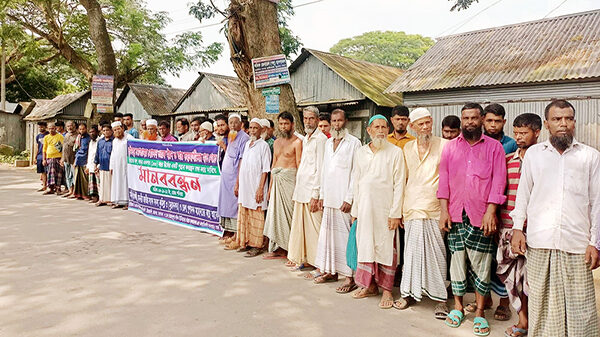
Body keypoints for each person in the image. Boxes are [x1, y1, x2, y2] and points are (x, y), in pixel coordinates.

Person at [510, 100, 600, 337]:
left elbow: (598, 203)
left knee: (581, 307)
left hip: (577, 243)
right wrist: (517, 228)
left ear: (574, 123)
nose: (563, 124)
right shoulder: (534, 156)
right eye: (557, 119)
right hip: (540, 242)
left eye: (568, 119)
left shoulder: (590, 156)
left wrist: (595, 242)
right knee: (541, 303)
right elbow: (523, 194)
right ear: (547, 124)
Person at [438, 102, 507, 336]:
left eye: (474, 118)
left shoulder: (495, 148)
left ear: (481, 120)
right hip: (456, 213)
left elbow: (499, 182)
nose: (469, 122)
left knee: (482, 264)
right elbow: (444, 181)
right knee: (456, 261)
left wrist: (491, 211)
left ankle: (479, 312)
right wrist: (444, 210)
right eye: (465, 118)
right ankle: (457, 307)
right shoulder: (449, 148)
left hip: (482, 215)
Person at [395, 108, 449, 319]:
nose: (425, 127)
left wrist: (447, 210)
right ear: (412, 126)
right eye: (421, 124)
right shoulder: (406, 148)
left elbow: (448, 178)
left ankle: (440, 299)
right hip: (411, 207)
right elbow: (401, 180)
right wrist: (398, 210)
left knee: (437, 254)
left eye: (428, 123)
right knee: (411, 254)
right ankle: (409, 293)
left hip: (435, 208)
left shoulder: (445, 145)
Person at [350, 114, 405, 310]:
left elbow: (399, 185)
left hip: (385, 210)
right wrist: (355, 209)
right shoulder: (361, 152)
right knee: (365, 246)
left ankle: (387, 289)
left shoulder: (395, 152)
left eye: (384, 127)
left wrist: (395, 213)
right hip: (364, 209)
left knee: (386, 249)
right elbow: (356, 181)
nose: (381, 130)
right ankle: (370, 286)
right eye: (377, 127)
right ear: (369, 130)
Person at [495, 113, 541, 337]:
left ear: (537, 133)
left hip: (536, 229)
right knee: (515, 278)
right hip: (509, 227)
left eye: (524, 133)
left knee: (534, 280)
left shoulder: (543, 160)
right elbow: (500, 192)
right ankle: (523, 321)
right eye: (516, 133)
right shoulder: (507, 160)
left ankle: (535, 323)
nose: (519, 137)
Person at [313, 108, 361, 291]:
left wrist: (350, 198)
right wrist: (321, 196)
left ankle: (350, 278)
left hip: (344, 201)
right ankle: (331, 271)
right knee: (328, 238)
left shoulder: (354, 143)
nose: (336, 124)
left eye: (339, 121)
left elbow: (356, 174)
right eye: (333, 121)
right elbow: (325, 170)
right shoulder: (327, 143)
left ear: (345, 121)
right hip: (330, 199)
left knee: (345, 240)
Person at [288, 106, 328, 271]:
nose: (308, 121)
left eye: (311, 118)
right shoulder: (306, 138)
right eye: (305, 118)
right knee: (302, 229)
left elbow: (321, 168)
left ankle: (320, 264)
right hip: (301, 190)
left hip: (312, 192)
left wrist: (316, 194)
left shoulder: (321, 140)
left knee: (315, 231)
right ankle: (305, 259)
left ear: (318, 120)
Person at [226, 118, 271, 257]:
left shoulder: (263, 145)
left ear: (261, 130)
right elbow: (242, 165)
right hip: (245, 186)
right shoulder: (247, 145)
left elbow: (265, 169)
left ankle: (256, 245)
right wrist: (238, 183)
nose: (252, 130)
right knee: (244, 213)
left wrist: (260, 188)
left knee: (256, 215)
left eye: (255, 128)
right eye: (250, 128)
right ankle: (245, 242)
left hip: (256, 186)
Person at [263, 112, 302, 259]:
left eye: (286, 123)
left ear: (292, 124)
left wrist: (298, 187)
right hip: (277, 181)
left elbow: (299, 165)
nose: (283, 126)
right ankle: (278, 248)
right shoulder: (277, 142)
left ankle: (290, 250)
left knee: (290, 216)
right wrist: (270, 187)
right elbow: (274, 164)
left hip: (289, 181)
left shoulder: (297, 142)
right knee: (275, 216)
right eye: (281, 123)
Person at [218, 114, 249, 241]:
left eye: (235, 123)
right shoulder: (231, 136)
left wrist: (238, 182)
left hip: (235, 178)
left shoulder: (244, 138)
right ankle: (229, 232)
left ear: (241, 124)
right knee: (226, 205)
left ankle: (237, 235)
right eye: (230, 123)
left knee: (235, 206)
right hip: (226, 178)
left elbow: (241, 160)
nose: (233, 125)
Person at [110, 121, 133, 209]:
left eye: (118, 129)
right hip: (116, 166)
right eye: (114, 130)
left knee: (125, 183)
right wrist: (111, 166)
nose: (117, 131)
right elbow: (113, 154)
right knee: (117, 182)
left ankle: (128, 202)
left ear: (122, 128)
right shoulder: (115, 141)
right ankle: (118, 201)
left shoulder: (129, 138)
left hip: (126, 165)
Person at [42, 122, 64, 195]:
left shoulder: (60, 136)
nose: (51, 130)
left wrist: (62, 159)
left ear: (55, 128)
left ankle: (58, 188)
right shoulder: (46, 137)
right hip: (49, 158)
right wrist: (44, 159)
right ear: (47, 129)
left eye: (52, 128)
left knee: (58, 174)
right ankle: (51, 188)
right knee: (50, 173)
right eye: (49, 129)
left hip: (58, 157)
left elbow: (63, 148)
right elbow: (44, 149)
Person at [95, 124, 113, 207]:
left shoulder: (114, 141)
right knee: (102, 184)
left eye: (107, 130)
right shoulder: (100, 141)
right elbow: (97, 153)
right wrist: (95, 164)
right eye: (104, 130)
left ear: (111, 131)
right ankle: (101, 199)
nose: (106, 132)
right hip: (102, 165)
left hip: (110, 166)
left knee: (110, 183)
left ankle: (110, 199)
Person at [71, 123, 91, 200]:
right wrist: (75, 161)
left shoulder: (89, 138)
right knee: (77, 179)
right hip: (78, 159)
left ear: (86, 129)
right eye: (80, 129)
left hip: (85, 159)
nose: (81, 130)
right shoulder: (78, 138)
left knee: (85, 179)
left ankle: (86, 194)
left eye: (83, 129)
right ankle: (78, 194)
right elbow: (76, 150)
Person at [60, 121, 78, 197]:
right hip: (66, 159)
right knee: (67, 176)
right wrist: (62, 158)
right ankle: (70, 191)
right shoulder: (66, 135)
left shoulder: (77, 136)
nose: (69, 128)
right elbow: (64, 148)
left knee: (73, 176)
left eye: (71, 126)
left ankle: (74, 191)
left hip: (73, 160)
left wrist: (75, 160)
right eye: (68, 126)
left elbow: (77, 149)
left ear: (74, 126)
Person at [85, 125, 100, 203]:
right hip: (91, 164)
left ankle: (99, 197)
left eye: (93, 132)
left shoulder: (100, 141)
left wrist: (98, 165)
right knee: (92, 182)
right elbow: (89, 154)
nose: (91, 134)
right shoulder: (90, 142)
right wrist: (87, 166)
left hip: (98, 165)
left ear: (97, 132)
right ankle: (93, 196)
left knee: (98, 182)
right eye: (90, 132)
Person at [35, 122, 49, 192]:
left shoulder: (48, 135)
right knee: (42, 172)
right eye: (39, 127)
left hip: (48, 155)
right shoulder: (38, 136)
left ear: (45, 127)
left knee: (48, 171)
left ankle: (51, 186)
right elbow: (37, 147)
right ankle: (44, 186)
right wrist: (35, 157)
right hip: (40, 155)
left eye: (42, 127)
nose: (41, 128)